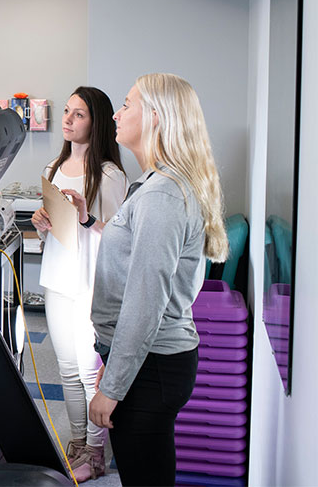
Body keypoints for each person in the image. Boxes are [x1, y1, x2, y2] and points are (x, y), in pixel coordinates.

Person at [82, 74, 229, 486]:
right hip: (146, 363)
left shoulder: (162, 195)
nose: (116, 113)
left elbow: (145, 304)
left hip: (152, 366)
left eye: (127, 104)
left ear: (156, 117)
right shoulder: (154, 185)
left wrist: (113, 386)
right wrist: (112, 362)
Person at [30, 87, 126, 481]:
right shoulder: (53, 166)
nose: (68, 120)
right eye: (67, 112)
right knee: (67, 370)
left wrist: (86, 219)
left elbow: (122, 241)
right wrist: (41, 226)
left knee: (89, 372)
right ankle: (77, 445)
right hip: (56, 279)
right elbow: (52, 234)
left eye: (79, 114)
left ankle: (95, 452)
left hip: (90, 284)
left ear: (96, 121)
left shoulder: (110, 175)